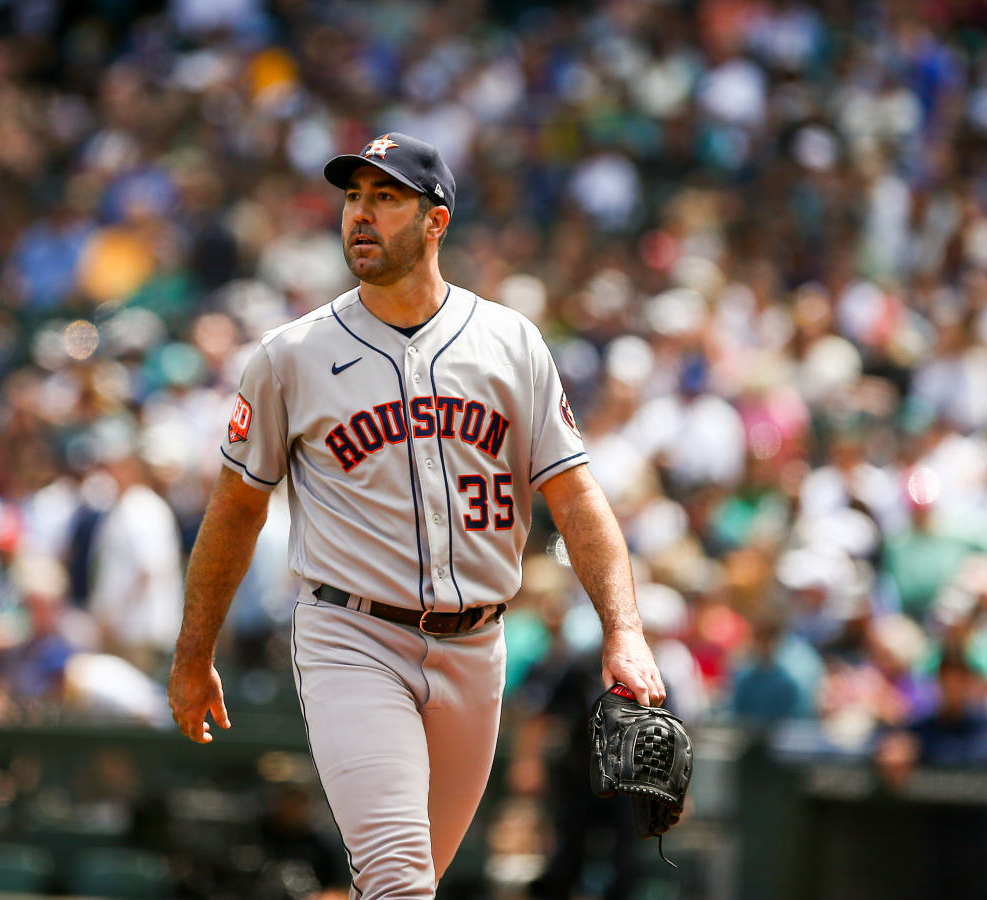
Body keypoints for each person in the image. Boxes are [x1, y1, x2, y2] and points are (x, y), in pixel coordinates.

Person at [167, 132, 666, 897]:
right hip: (353, 636)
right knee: (401, 879)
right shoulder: (290, 355)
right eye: (353, 198)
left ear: (436, 221)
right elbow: (236, 509)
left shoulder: (510, 342)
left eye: (386, 198)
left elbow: (575, 496)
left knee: (405, 885)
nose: (361, 216)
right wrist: (194, 650)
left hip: (478, 647)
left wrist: (624, 632)